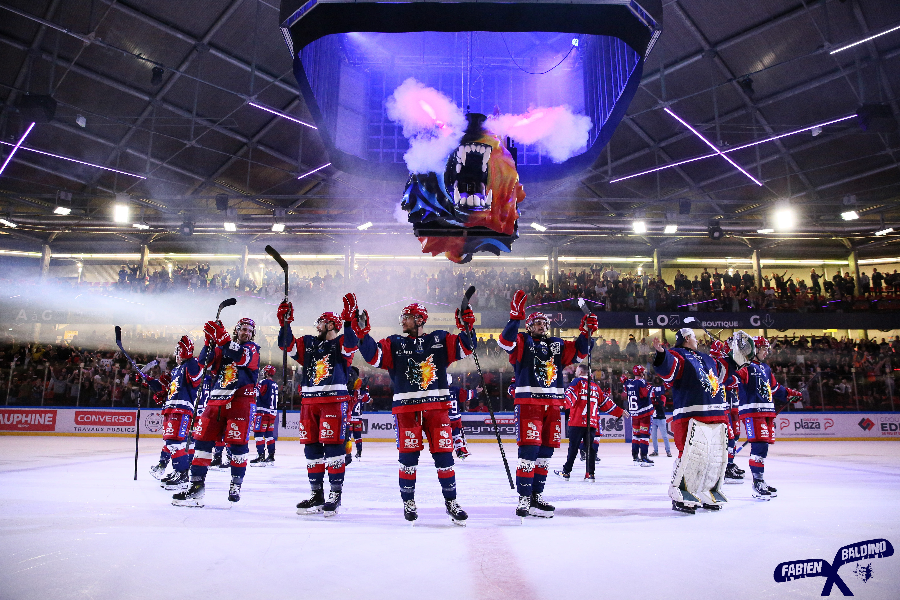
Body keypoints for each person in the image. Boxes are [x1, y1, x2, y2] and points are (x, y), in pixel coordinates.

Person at [357, 301, 476, 525]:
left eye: (407, 316)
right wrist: (363, 335)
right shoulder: (393, 342)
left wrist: (468, 326)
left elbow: (467, 348)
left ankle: (451, 502)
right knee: (408, 459)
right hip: (407, 410)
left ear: (420, 319)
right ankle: (408, 502)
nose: (402, 320)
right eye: (402, 317)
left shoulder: (439, 339)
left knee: (445, 458)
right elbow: (373, 357)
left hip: (437, 409)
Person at [498, 290, 597, 518]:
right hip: (529, 405)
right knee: (529, 452)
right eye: (536, 323)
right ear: (529, 326)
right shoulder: (522, 341)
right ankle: (524, 499)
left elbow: (581, 352)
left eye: (544, 322)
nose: (541, 325)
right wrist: (515, 317)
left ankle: (536, 497)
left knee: (545, 454)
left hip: (552, 406)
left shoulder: (557, 345)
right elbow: (505, 342)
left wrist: (586, 332)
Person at [278, 295, 359, 517]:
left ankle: (335, 494)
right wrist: (285, 323)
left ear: (331, 324)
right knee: (311, 449)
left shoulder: (341, 342)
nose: (318, 326)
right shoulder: (308, 343)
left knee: (333, 449)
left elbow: (353, 345)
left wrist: (350, 322)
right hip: (309, 403)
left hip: (333, 402)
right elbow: (286, 345)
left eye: (321, 322)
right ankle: (317, 494)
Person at [172, 317, 260, 507]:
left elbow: (241, 358)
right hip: (215, 401)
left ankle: (236, 484)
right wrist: (209, 342)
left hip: (241, 401)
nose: (246, 332)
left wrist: (222, 338)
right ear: (236, 331)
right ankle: (196, 486)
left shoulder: (252, 349)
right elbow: (204, 363)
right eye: (243, 329)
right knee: (202, 442)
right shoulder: (222, 347)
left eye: (249, 330)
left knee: (237, 446)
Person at [652, 328, 728, 514]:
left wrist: (726, 355)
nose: (697, 339)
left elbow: (723, 376)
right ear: (686, 338)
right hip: (691, 412)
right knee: (690, 455)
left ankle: (706, 491)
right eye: (694, 337)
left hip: (714, 412)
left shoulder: (707, 358)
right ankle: (680, 491)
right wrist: (662, 355)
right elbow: (669, 370)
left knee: (712, 456)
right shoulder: (679, 354)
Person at [724, 335, 802, 500]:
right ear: (755, 349)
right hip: (752, 412)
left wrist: (789, 394)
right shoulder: (745, 366)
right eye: (764, 348)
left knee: (763, 447)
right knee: (758, 447)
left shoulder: (765, 368)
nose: (767, 352)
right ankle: (757, 483)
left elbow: (774, 388)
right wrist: (732, 353)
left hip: (766, 412)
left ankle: (760, 481)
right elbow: (731, 376)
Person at [556, 363, 628, 481]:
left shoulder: (576, 382)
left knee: (573, 448)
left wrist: (560, 405)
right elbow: (606, 403)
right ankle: (591, 474)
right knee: (591, 449)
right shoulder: (595, 386)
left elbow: (569, 397)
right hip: (592, 422)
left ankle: (566, 472)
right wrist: (619, 411)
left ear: (580, 372)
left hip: (577, 421)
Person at [149, 337, 202, 490]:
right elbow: (169, 390)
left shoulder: (192, 364)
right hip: (171, 409)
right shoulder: (176, 370)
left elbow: (196, 378)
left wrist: (188, 354)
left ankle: (182, 474)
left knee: (175, 442)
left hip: (181, 410)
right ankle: (179, 471)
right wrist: (150, 382)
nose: (177, 355)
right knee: (171, 443)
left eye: (179, 351)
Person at [249, 365, 279, 467]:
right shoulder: (275, 384)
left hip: (262, 412)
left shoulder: (263, 382)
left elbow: (256, 393)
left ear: (266, 373)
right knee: (269, 435)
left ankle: (261, 456)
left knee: (258, 435)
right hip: (272, 413)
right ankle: (271, 456)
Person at [625, 365, 654, 466]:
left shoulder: (629, 382)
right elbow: (645, 393)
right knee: (644, 435)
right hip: (644, 412)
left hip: (634, 414)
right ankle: (644, 457)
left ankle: (635, 456)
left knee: (636, 435)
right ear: (641, 373)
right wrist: (650, 386)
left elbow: (625, 385)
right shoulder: (642, 383)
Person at [345, 367, 371, 462]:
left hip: (350, 417)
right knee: (358, 436)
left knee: (347, 436)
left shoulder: (349, 388)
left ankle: (347, 453)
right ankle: (359, 452)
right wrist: (366, 391)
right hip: (358, 418)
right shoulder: (361, 390)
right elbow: (368, 399)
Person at [448, 375, 475, 460]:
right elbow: (467, 395)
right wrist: (476, 391)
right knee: (457, 436)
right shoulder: (456, 389)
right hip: (455, 418)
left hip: (444, 419)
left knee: (443, 436)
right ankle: (461, 451)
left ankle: (443, 454)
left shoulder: (438, 391)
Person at [647, 380, 671, 458]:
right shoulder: (651, 398)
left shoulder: (662, 397)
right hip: (653, 418)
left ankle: (668, 451)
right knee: (653, 436)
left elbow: (662, 405)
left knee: (664, 436)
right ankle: (655, 451)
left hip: (661, 418)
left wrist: (657, 398)